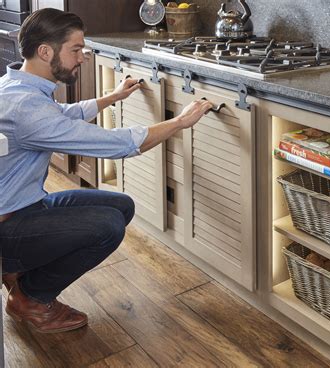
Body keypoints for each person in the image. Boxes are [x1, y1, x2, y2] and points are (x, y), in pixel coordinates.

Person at [0, 8, 213, 333]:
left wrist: (111, 98)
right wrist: (180, 122)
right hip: (10, 224)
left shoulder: (18, 88)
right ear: (45, 52)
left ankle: (17, 270)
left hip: (24, 207)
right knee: (108, 226)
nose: (83, 57)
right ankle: (30, 297)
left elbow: (61, 116)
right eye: (75, 49)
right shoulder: (26, 108)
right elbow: (117, 144)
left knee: (121, 205)